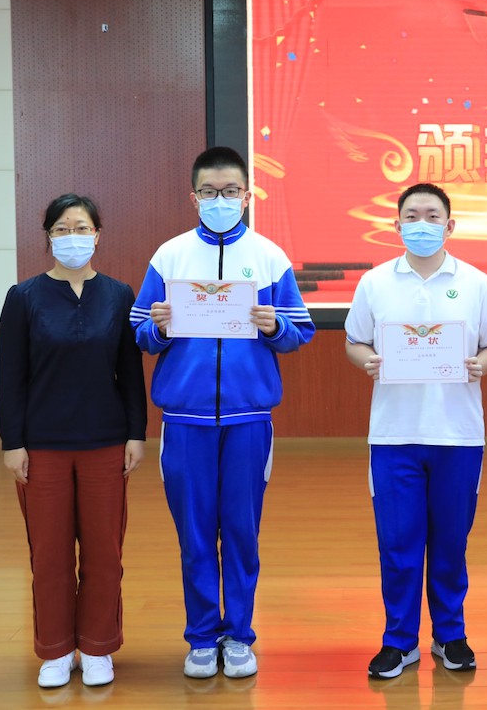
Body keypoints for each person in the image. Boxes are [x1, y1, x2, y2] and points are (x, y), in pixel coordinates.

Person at [130, 146, 314, 679]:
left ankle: (239, 636)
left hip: (248, 419)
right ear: (194, 198)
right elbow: (139, 332)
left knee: (240, 532)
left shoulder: (270, 257)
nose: (220, 200)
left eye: (230, 191)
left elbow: (299, 332)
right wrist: (159, 327)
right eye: (209, 192)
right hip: (184, 420)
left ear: (247, 196)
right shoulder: (169, 256)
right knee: (194, 535)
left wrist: (274, 324)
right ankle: (201, 637)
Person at [344, 183, 487, 679]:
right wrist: (367, 360)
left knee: (451, 542)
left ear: (449, 225)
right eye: (411, 216)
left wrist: (481, 364)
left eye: (432, 216)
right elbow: (354, 342)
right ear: (396, 225)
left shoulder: (476, 282)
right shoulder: (375, 282)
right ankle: (399, 640)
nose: (422, 224)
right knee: (398, 544)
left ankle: (450, 635)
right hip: (394, 435)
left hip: (458, 435)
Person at [0, 193, 147, 689]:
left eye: (81, 228)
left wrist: (136, 433)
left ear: (97, 235)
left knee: (105, 553)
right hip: (42, 446)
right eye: (62, 229)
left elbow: (130, 372)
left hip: (106, 443)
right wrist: (12, 442)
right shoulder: (24, 297)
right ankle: (57, 649)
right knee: (50, 556)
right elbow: (10, 376)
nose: (72, 237)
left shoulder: (119, 295)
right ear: (48, 236)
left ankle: (98, 647)